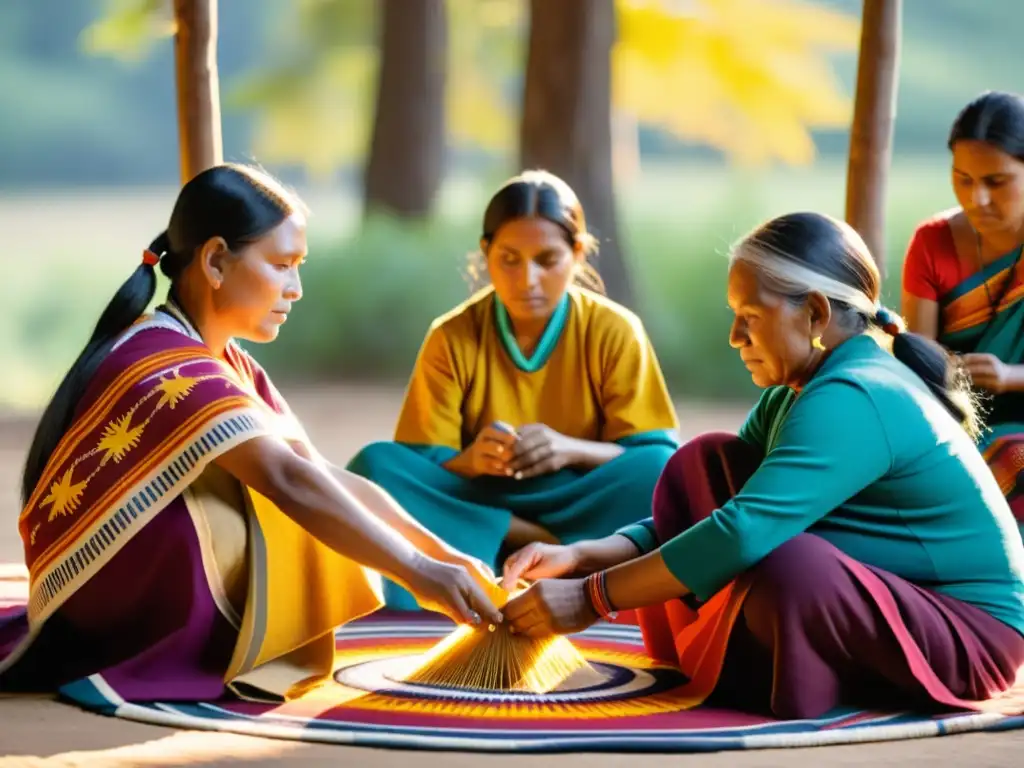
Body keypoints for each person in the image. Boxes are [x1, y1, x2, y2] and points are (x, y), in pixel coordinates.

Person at [0, 164, 502, 704]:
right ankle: (187, 648)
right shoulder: (166, 364)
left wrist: (445, 556)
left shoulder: (222, 359)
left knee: (308, 496)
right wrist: (420, 574)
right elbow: (291, 480)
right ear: (216, 261)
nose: (296, 288)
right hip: (97, 597)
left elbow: (317, 470)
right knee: (275, 510)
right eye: (283, 265)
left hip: (118, 576)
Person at [501, 212, 1024, 720]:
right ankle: (767, 661)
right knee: (701, 465)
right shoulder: (794, 392)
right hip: (892, 600)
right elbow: (711, 515)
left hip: (969, 634)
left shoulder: (858, 393)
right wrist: (581, 558)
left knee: (789, 568)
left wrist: (592, 599)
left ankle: (792, 675)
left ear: (815, 315)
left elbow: (741, 532)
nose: (735, 337)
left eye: (749, 317)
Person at [348, 170, 680, 610]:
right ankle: (522, 537)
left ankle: (529, 545)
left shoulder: (615, 330)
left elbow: (649, 448)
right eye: (509, 259)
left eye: (547, 260)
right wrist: (472, 458)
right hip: (479, 496)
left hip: (578, 498)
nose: (527, 280)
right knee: (376, 467)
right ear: (485, 255)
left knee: (661, 469)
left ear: (578, 254)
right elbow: (423, 461)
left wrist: (569, 450)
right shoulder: (451, 336)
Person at [902, 91, 1024, 531]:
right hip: (951, 423)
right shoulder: (931, 244)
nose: (978, 199)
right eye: (963, 179)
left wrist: (1010, 376)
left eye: (996, 181)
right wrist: (949, 375)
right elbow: (918, 362)